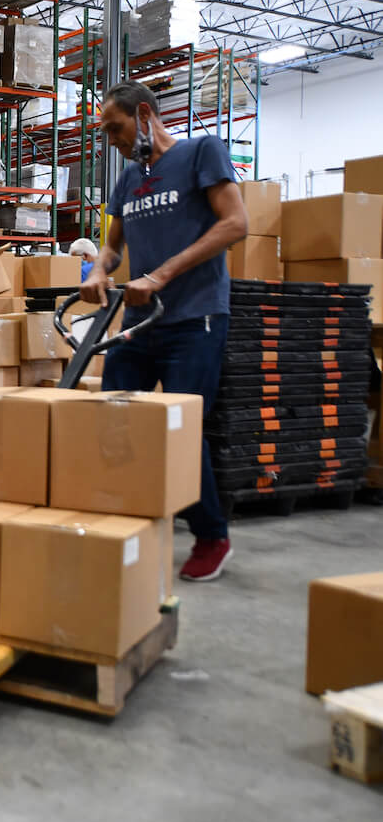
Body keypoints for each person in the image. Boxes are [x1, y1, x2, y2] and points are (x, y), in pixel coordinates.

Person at [80, 79, 249, 582]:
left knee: (179, 429)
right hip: (138, 322)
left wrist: (161, 275)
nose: (111, 139)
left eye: (116, 128)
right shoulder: (128, 181)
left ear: (146, 115)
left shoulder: (202, 152)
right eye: (106, 132)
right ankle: (125, 523)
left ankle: (211, 536)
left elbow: (235, 223)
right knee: (116, 420)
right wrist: (99, 271)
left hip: (193, 318)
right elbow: (112, 247)